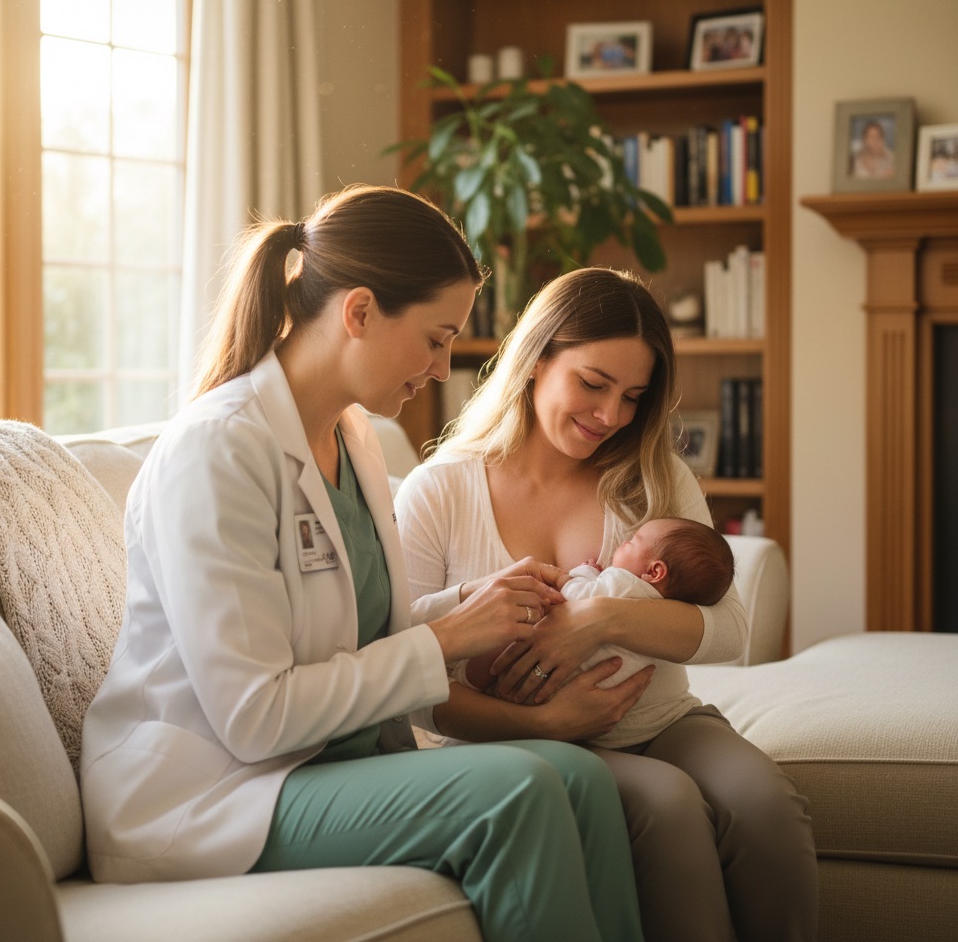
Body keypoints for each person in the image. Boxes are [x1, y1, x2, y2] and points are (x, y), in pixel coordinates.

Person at [79, 185, 643, 942]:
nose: (443, 369)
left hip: (318, 765)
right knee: (521, 793)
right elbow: (256, 717)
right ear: (360, 312)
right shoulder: (218, 451)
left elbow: (348, 636)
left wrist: (471, 607)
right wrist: (445, 640)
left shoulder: (353, 438)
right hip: (210, 796)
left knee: (581, 780)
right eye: (436, 339)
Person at [396, 266, 818, 942]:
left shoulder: (652, 474)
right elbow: (410, 680)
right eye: (593, 384)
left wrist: (599, 618)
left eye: (633, 397)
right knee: (666, 804)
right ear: (537, 359)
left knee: (763, 803)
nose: (612, 416)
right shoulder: (438, 492)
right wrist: (543, 721)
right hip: (507, 736)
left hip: (660, 719)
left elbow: (730, 630)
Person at [455, 518, 735, 750]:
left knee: (507, 645)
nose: (622, 543)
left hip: (568, 690)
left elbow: (579, 595)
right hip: (607, 708)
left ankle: (467, 679)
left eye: (632, 542)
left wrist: (579, 574)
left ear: (654, 571)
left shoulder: (624, 583)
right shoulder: (666, 609)